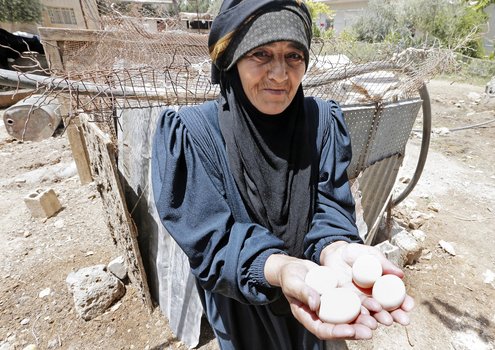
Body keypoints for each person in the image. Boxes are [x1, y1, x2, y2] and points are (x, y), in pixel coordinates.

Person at [151, 1, 414, 349]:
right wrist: (278, 269)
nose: (280, 74)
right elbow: (211, 242)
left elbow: (331, 205)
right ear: (231, 59)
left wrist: (335, 247)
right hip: (243, 314)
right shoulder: (193, 135)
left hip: (317, 292)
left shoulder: (321, 122)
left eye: (294, 55)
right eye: (260, 54)